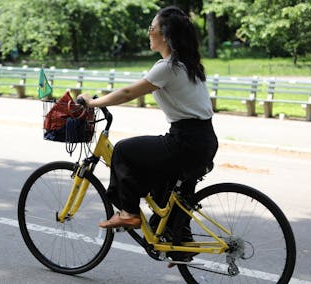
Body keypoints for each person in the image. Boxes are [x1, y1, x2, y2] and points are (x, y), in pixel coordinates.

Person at [78, 6, 218, 265]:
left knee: (123, 150)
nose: (148, 33)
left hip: (185, 140)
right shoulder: (188, 65)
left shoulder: (168, 66)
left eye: (151, 28)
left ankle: (129, 212)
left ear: (164, 35)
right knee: (170, 192)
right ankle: (181, 243)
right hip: (204, 140)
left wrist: (93, 103)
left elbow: (128, 93)